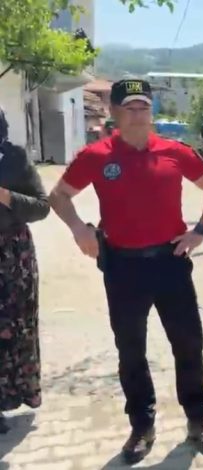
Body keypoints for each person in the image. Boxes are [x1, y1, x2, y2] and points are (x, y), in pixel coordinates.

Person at [48, 79, 203, 464]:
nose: (138, 114)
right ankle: (142, 426)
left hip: (170, 262)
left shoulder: (175, 152)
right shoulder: (96, 156)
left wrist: (200, 230)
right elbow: (58, 195)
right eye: (129, 107)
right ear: (114, 112)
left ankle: (198, 419)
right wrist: (79, 228)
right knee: (131, 350)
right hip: (122, 266)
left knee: (188, 344)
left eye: (143, 107)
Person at [0, 106, 50, 434]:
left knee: (12, 329)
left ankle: (7, 397)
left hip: (11, 258)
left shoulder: (14, 158)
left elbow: (42, 206)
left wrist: (6, 196)